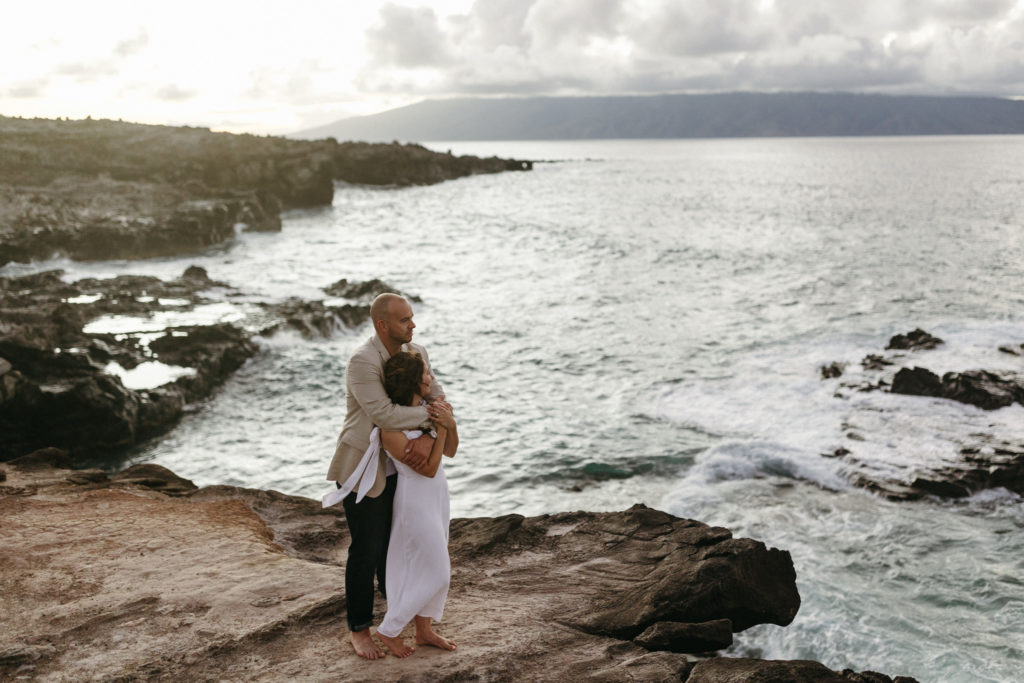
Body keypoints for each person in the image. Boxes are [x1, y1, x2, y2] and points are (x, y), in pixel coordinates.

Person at [324, 293, 449, 660]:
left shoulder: (418, 352)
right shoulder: (363, 362)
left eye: (412, 318)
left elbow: (440, 398)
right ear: (383, 325)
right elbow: (384, 415)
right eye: (405, 320)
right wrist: (432, 422)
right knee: (367, 551)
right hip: (366, 469)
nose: (413, 325)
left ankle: (418, 626)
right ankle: (359, 629)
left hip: (406, 471)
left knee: (404, 551)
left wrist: (429, 433)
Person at [374, 350, 459, 657]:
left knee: (432, 562)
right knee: (438, 571)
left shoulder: (427, 409)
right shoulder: (390, 428)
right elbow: (429, 466)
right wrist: (443, 428)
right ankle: (389, 629)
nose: (431, 378)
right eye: (425, 374)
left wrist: (449, 424)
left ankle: (424, 631)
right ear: (413, 381)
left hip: (437, 495)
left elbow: (449, 451)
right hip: (414, 501)